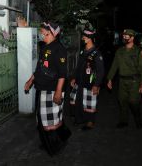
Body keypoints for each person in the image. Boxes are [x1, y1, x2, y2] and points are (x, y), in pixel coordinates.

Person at [24, 22, 70, 156]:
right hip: (41, 88)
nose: (41, 34)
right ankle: (47, 142)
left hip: (52, 89)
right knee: (42, 118)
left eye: (43, 32)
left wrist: (58, 92)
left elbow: (62, 74)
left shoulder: (59, 49)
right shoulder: (45, 47)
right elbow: (40, 68)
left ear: (51, 33)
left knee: (51, 120)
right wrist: (30, 80)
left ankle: (55, 146)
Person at [107, 29, 142, 129]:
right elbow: (114, 65)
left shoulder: (139, 51)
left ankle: (137, 118)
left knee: (134, 102)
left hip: (134, 81)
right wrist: (109, 79)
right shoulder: (119, 51)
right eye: (124, 36)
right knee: (122, 101)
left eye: (127, 36)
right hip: (122, 81)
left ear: (132, 38)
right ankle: (123, 121)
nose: (125, 37)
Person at [70, 27, 104, 130]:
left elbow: (101, 71)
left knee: (90, 102)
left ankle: (90, 121)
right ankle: (79, 119)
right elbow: (78, 66)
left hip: (90, 83)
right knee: (78, 100)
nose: (82, 38)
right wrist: (73, 78)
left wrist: (96, 85)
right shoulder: (83, 51)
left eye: (84, 36)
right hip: (80, 81)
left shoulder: (96, 54)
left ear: (90, 38)